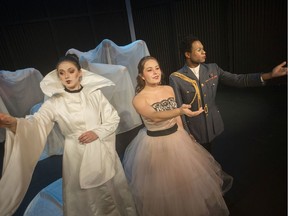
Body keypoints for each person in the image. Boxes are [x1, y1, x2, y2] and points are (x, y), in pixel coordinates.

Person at [0, 54, 137, 216]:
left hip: (102, 150)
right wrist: (15, 124)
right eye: (62, 73)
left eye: (70, 71)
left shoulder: (94, 94)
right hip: (76, 156)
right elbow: (38, 122)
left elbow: (113, 118)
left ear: (80, 73)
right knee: (87, 197)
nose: (66, 76)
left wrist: (97, 132)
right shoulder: (54, 102)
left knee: (111, 188)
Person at [123, 56, 233, 216]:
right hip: (155, 145)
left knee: (186, 181)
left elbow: (176, 118)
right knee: (164, 185)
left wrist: (185, 134)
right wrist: (180, 110)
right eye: (149, 70)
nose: (155, 72)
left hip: (177, 138)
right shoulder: (138, 99)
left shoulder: (168, 89)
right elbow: (154, 116)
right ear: (141, 75)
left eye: (157, 68)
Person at [169, 35, 288, 151]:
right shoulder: (176, 78)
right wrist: (186, 133)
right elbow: (179, 110)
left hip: (213, 124)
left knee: (212, 158)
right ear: (187, 54)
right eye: (199, 50)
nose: (204, 52)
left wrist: (270, 75)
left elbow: (238, 79)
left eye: (203, 49)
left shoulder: (213, 68)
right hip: (194, 129)